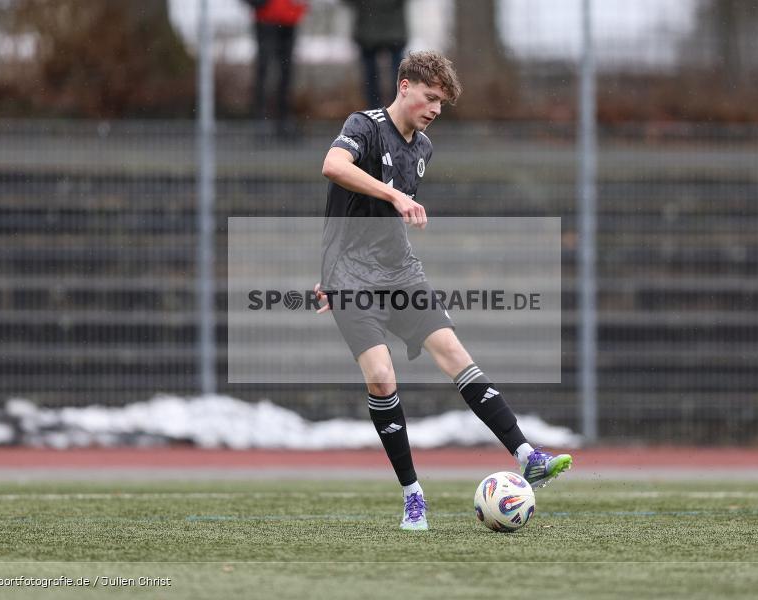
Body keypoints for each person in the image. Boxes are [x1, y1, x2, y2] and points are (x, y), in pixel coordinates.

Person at [315, 50, 572, 531]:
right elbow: (333, 166)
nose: (435, 109)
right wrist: (391, 199)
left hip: (399, 274)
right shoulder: (365, 125)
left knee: (455, 354)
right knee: (381, 376)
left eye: (442, 104)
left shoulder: (423, 149)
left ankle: (526, 456)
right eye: (430, 97)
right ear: (405, 85)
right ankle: (413, 495)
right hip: (349, 279)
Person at [245, 0, 308, 134]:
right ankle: (261, 120)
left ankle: (283, 120)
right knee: (265, 71)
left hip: (289, 17)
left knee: (286, 73)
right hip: (266, 18)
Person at [344, 0, 407, 108]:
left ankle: (375, 110)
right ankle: (399, 107)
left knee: (372, 75)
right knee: (399, 72)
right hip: (392, 27)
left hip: (368, 27)